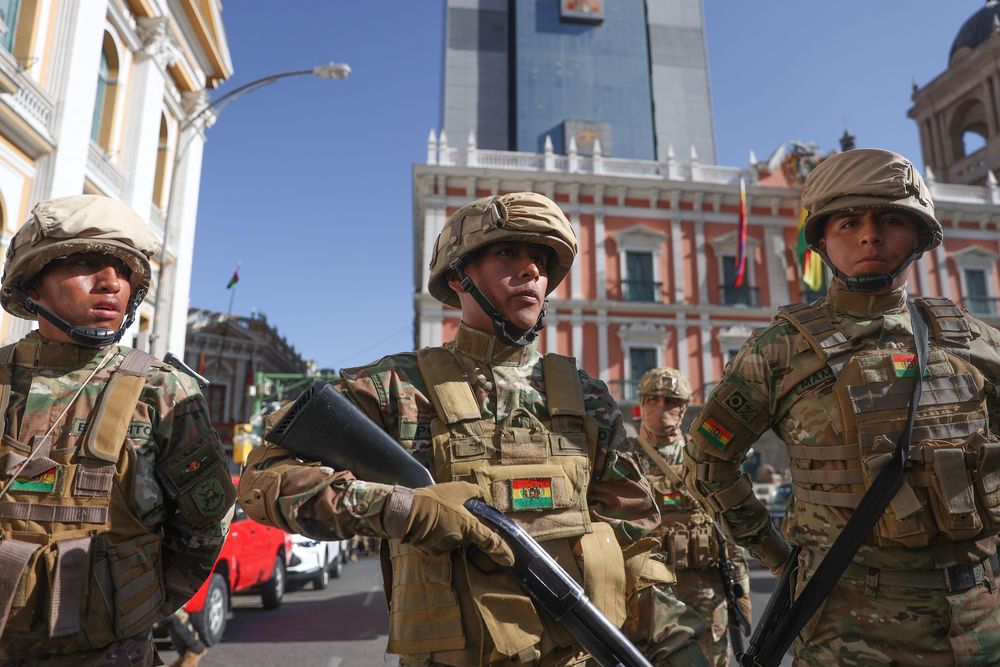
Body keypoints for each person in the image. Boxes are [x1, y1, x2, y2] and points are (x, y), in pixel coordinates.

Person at [239, 192, 706, 665]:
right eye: (507, 253)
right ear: (458, 276)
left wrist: (679, 644)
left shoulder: (587, 398)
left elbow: (633, 543)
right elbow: (262, 479)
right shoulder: (398, 387)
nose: (530, 270)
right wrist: (402, 509)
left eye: (541, 260)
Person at [683, 148, 1000, 664]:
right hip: (847, 630)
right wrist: (777, 556)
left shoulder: (977, 342)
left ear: (919, 236)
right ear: (822, 242)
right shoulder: (778, 352)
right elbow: (706, 462)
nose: (870, 236)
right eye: (849, 222)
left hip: (982, 622)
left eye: (891, 220)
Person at [0, 195, 235, 666]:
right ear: (32, 283)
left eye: (125, 270)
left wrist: (130, 609)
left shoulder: (161, 391)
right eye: (86, 262)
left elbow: (206, 525)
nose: (111, 282)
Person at [629, 368, 750, 666]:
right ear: (642, 403)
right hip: (647, 593)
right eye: (653, 399)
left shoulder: (703, 457)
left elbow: (727, 523)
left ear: (683, 407)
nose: (662, 406)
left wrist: (741, 588)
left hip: (705, 593)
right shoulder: (623, 457)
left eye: (671, 401)